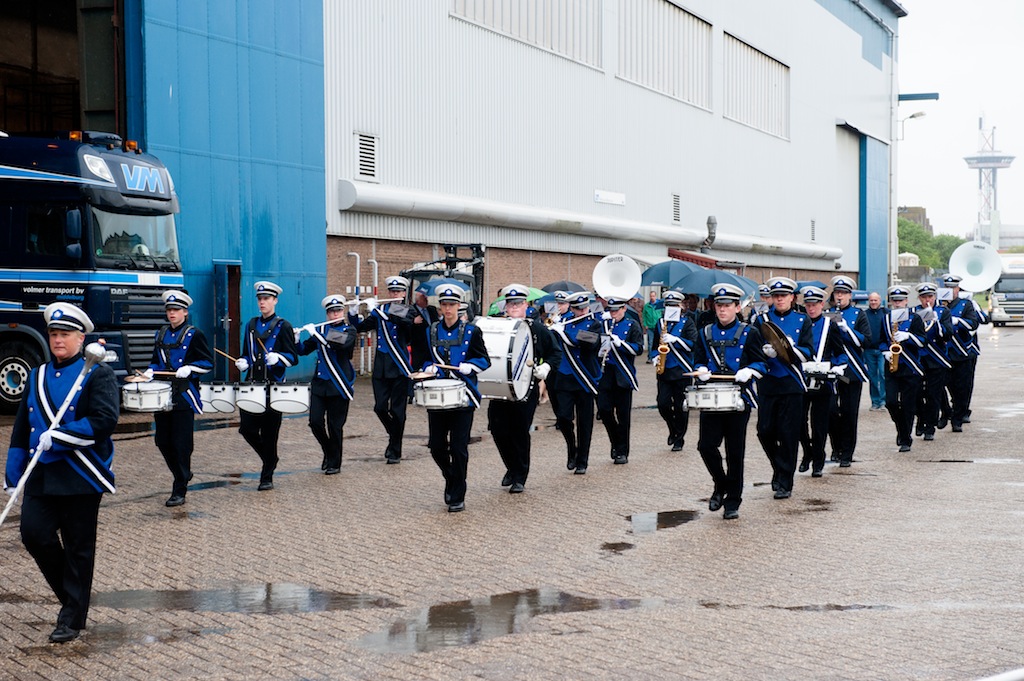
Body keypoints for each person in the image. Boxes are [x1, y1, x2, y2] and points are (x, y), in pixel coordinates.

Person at [4, 303, 118, 643]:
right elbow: (23, 426)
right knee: (33, 534)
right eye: (53, 334)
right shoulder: (37, 374)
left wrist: (62, 437)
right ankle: (72, 597)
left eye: (65, 335)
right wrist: (13, 470)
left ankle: (72, 616)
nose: (58, 340)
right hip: (42, 475)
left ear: (80, 338)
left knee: (79, 547)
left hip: (81, 474)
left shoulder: (97, 373)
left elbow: (104, 420)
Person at [692, 284, 767, 520]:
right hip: (712, 396)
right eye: (719, 305)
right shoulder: (705, 332)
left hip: (738, 398)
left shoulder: (750, 332)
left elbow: (762, 363)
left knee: (735, 452)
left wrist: (750, 371)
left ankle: (733, 501)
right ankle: (720, 483)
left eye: (727, 306)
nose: (722, 310)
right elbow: (698, 360)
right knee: (706, 446)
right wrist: (701, 369)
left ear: (737, 307)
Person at [420, 284, 490, 512]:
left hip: (463, 396)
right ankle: (452, 478)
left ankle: (458, 493)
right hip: (438, 395)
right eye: (444, 305)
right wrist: (428, 367)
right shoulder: (431, 331)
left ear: (459, 307)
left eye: (452, 305)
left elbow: (484, 360)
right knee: (436, 447)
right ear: (439, 307)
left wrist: (472, 365)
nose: (448, 309)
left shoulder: (472, 331)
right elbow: (422, 359)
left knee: (459, 448)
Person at [487, 284, 562, 493]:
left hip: (526, 388)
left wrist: (546, 367)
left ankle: (520, 475)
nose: (513, 308)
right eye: (510, 304)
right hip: (501, 387)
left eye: (518, 304)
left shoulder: (536, 328)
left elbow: (555, 353)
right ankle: (511, 467)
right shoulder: (498, 326)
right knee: (498, 429)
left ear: (526, 305)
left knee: (520, 431)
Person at [145, 290, 213, 506]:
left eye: (176, 310)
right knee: (162, 441)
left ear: (185, 312)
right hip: (163, 394)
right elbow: (156, 360)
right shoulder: (161, 333)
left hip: (184, 393)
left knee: (181, 443)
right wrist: (150, 371)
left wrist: (191, 368)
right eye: (169, 310)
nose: (172, 313)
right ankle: (183, 473)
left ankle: (179, 488)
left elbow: (207, 362)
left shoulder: (195, 334)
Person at [751, 276, 813, 500]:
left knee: (788, 435)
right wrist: (764, 351)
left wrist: (788, 347)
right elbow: (752, 349)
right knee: (764, 431)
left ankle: (785, 481)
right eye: (776, 296)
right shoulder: (761, 320)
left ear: (792, 298)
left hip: (792, 383)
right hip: (768, 382)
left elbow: (808, 352)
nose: (779, 300)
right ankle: (778, 467)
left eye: (783, 296)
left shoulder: (802, 320)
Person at [234, 281, 298, 490]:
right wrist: (243, 361)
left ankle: (266, 476)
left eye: (266, 299)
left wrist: (279, 358)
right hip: (253, 385)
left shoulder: (284, 326)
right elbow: (247, 352)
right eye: (260, 299)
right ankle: (270, 459)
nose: (262, 302)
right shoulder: (251, 325)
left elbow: (293, 357)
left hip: (274, 388)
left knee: (270, 433)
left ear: (275, 301)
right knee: (247, 429)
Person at [350, 275, 417, 463]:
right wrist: (354, 313)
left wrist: (377, 312)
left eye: (398, 291)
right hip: (380, 367)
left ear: (404, 293)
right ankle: (394, 436)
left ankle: (395, 450)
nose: (395, 294)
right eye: (392, 291)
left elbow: (403, 322)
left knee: (398, 411)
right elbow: (361, 328)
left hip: (399, 366)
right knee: (380, 407)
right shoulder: (380, 310)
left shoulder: (407, 310)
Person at [295, 294, 357, 475]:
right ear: (327, 314)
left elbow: (340, 345)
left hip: (338, 384)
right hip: (320, 385)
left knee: (335, 426)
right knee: (315, 422)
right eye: (331, 311)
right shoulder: (321, 330)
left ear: (343, 311)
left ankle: (334, 463)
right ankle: (329, 451)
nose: (335, 314)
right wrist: (298, 338)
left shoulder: (349, 330)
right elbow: (303, 351)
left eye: (338, 310)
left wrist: (317, 335)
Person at [549, 292, 603, 474]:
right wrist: (552, 331)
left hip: (585, 377)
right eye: (578, 309)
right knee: (563, 418)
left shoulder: (595, 324)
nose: (582, 311)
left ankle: (582, 461)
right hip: (564, 376)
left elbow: (587, 343)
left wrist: (562, 332)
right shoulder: (563, 322)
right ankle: (572, 448)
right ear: (571, 308)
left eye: (584, 308)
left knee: (585, 422)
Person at [798, 286, 848, 475]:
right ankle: (807, 453)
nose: (811, 309)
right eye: (808, 305)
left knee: (819, 424)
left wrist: (838, 366)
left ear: (821, 305)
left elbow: (840, 353)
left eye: (814, 305)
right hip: (802, 379)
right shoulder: (800, 323)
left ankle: (818, 460)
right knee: (799, 423)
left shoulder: (829, 325)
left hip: (822, 380)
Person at [826, 275, 871, 467]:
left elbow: (867, 341)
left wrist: (847, 330)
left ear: (850, 295)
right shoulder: (827, 314)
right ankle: (836, 447)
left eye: (843, 293)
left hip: (852, 371)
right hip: (832, 369)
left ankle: (847, 453)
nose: (840, 297)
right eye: (837, 293)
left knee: (849, 412)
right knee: (830, 411)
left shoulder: (858, 315)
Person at [597, 296, 644, 464]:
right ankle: (615, 441)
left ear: (624, 309)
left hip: (623, 374)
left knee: (623, 416)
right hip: (605, 373)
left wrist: (620, 344)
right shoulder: (603, 324)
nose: (613, 313)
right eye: (611, 310)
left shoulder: (632, 325)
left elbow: (639, 349)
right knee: (604, 410)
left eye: (616, 310)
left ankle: (622, 450)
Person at [650, 290, 698, 451]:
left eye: (673, 305)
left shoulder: (687, 322)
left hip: (682, 369)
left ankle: (680, 438)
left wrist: (676, 339)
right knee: (662, 404)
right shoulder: (660, 323)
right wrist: (655, 356)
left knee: (680, 406)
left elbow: (693, 344)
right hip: (664, 370)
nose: (670, 308)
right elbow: (654, 346)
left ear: (680, 306)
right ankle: (673, 429)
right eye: (667, 306)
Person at [880, 285, 926, 452]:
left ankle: (906, 438)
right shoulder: (886, 318)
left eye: (901, 301)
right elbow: (880, 339)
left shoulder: (915, 319)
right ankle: (901, 428)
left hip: (910, 367)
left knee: (908, 405)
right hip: (892, 367)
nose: (898, 304)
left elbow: (922, 341)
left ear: (906, 301)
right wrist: (885, 350)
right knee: (891, 402)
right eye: (895, 301)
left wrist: (909, 336)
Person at [912, 283, 953, 442]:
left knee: (933, 394)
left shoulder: (943, 312)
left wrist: (937, 322)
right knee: (915, 393)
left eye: (930, 296)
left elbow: (947, 335)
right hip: (918, 359)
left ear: (935, 297)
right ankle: (921, 418)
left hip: (936, 359)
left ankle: (930, 427)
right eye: (923, 297)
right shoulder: (914, 312)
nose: (927, 300)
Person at [938, 274, 980, 432]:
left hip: (961, 352)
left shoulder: (965, 304)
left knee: (961, 388)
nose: (950, 290)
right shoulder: (937, 304)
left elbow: (973, 323)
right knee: (938, 386)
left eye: (953, 288)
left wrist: (957, 321)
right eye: (947, 287)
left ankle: (957, 419)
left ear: (958, 289)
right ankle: (946, 411)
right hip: (942, 353)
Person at [863, 292, 888, 410]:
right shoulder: (864, 314)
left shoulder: (886, 313)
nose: (873, 302)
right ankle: (875, 401)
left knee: (883, 374)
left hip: (883, 350)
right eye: (871, 300)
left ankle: (883, 401)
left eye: (875, 300)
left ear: (880, 301)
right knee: (872, 377)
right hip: (869, 350)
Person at [409, 289, 440, 373]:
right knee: (419, 370)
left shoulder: (432, 309)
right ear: (418, 300)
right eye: (424, 298)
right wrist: (413, 321)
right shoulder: (411, 310)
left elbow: (437, 322)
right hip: (419, 346)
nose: (427, 300)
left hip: (432, 344)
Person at [642, 290, 663, 360]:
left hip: (658, 326)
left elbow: (662, 314)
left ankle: (658, 356)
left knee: (659, 342)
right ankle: (650, 357)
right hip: (650, 326)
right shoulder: (646, 306)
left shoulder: (659, 305)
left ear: (655, 296)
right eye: (651, 296)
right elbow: (644, 316)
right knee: (650, 342)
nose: (652, 297)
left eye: (653, 296)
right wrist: (645, 324)